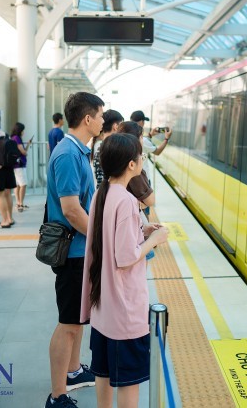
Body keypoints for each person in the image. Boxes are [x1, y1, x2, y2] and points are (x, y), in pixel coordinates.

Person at [80, 133, 169, 408]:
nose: (142, 160)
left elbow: (110, 236)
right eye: (140, 156)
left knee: (103, 373)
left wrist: (142, 230)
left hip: (103, 309)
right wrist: (155, 239)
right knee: (129, 384)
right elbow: (126, 256)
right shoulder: (128, 200)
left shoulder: (102, 192)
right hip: (125, 311)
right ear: (131, 164)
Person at [45, 92, 105, 408]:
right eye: (101, 115)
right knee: (68, 324)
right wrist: (99, 237)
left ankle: (73, 371)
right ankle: (57, 395)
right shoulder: (68, 154)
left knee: (78, 319)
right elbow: (71, 209)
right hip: (73, 254)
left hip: (80, 251)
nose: (103, 121)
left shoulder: (78, 151)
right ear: (88, 118)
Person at [129, 110, 172, 182]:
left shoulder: (128, 135)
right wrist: (166, 139)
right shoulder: (143, 140)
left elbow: (143, 142)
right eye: (144, 121)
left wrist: (150, 135)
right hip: (142, 179)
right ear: (142, 122)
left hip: (132, 177)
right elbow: (157, 152)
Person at [92, 109, 124, 188]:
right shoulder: (114, 148)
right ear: (115, 126)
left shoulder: (99, 145)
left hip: (101, 192)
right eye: (122, 126)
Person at [11, 122, 32, 212]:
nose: (23, 132)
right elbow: (23, 152)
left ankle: (18, 203)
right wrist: (25, 152)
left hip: (16, 164)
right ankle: (20, 203)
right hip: (19, 165)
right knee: (23, 184)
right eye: (23, 130)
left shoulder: (13, 138)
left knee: (18, 185)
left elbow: (23, 151)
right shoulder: (17, 138)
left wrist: (28, 144)